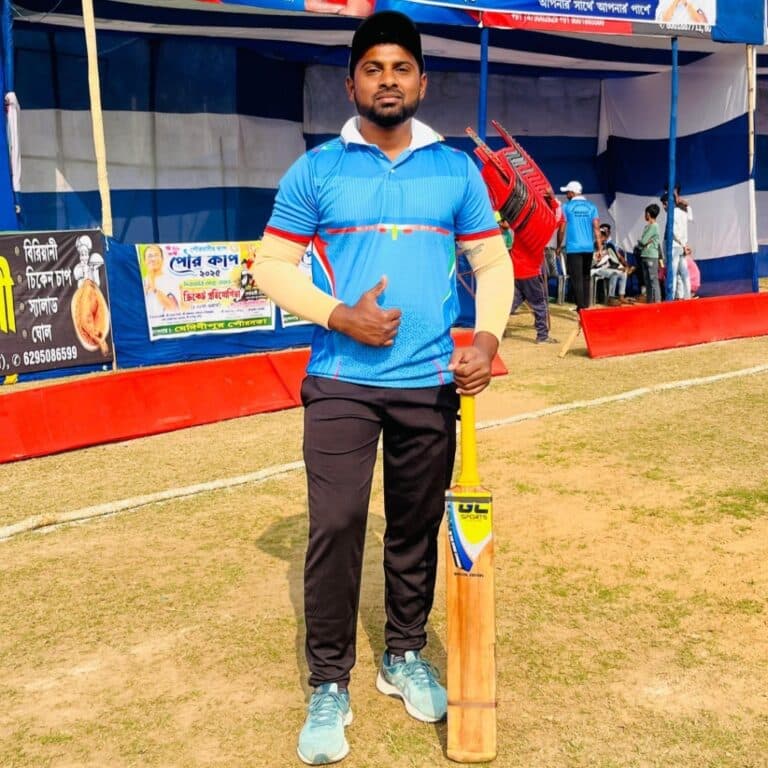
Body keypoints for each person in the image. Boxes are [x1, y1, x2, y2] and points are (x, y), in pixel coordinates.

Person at [250, 12, 514, 766]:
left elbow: (492, 264)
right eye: (373, 69)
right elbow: (270, 266)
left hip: (429, 381)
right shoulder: (318, 170)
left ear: (422, 81)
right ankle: (329, 682)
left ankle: (402, 653)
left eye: (401, 68)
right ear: (351, 84)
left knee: (413, 527)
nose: (387, 81)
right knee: (336, 525)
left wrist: (486, 342)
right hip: (340, 380)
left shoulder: (456, 171)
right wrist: (341, 316)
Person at [555, 180, 600, 311]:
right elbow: (596, 228)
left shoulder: (566, 207)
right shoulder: (591, 206)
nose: (566, 195)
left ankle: (581, 308)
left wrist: (558, 246)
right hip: (588, 247)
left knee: (576, 278)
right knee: (586, 276)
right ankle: (585, 305)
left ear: (572, 193)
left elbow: (562, 229)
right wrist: (600, 248)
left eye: (567, 192)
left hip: (574, 248)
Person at [591, 223, 634, 306]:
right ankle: (611, 298)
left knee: (623, 273)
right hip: (596, 269)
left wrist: (622, 267)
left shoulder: (608, 245)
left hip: (606, 268)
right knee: (614, 273)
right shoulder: (594, 245)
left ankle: (621, 296)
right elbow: (597, 263)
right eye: (601, 236)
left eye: (604, 236)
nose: (603, 237)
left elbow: (613, 259)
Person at [660, 192, 691, 301]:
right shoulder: (684, 212)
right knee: (684, 273)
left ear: (668, 202)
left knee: (672, 273)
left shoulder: (671, 213)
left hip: (674, 246)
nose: (663, 207)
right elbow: (690, 218)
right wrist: (684, 245)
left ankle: (671, 298)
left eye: (664, 204)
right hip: (682, 246)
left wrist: (682, 245)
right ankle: (686, 297)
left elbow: (672, 233)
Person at [141, 244, 179, 315]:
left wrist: (154, 288)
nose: (153, 259)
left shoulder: (172, 280)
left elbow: (173, 308)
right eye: (150, 256)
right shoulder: (140, 282)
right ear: (144, 261)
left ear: (162, 259)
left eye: (156, 255)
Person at [636, 203, 662, 303]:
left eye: (645, 213)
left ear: (648, 214)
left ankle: (657, 302)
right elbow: (643, 242)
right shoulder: (648, 226)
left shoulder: (654, 226)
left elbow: (643, 241)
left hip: (651, 256)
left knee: (653, 280)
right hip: (644, 255)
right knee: (647, 282)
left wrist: (643, 242)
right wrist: (644, 242)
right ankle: (650, 302)